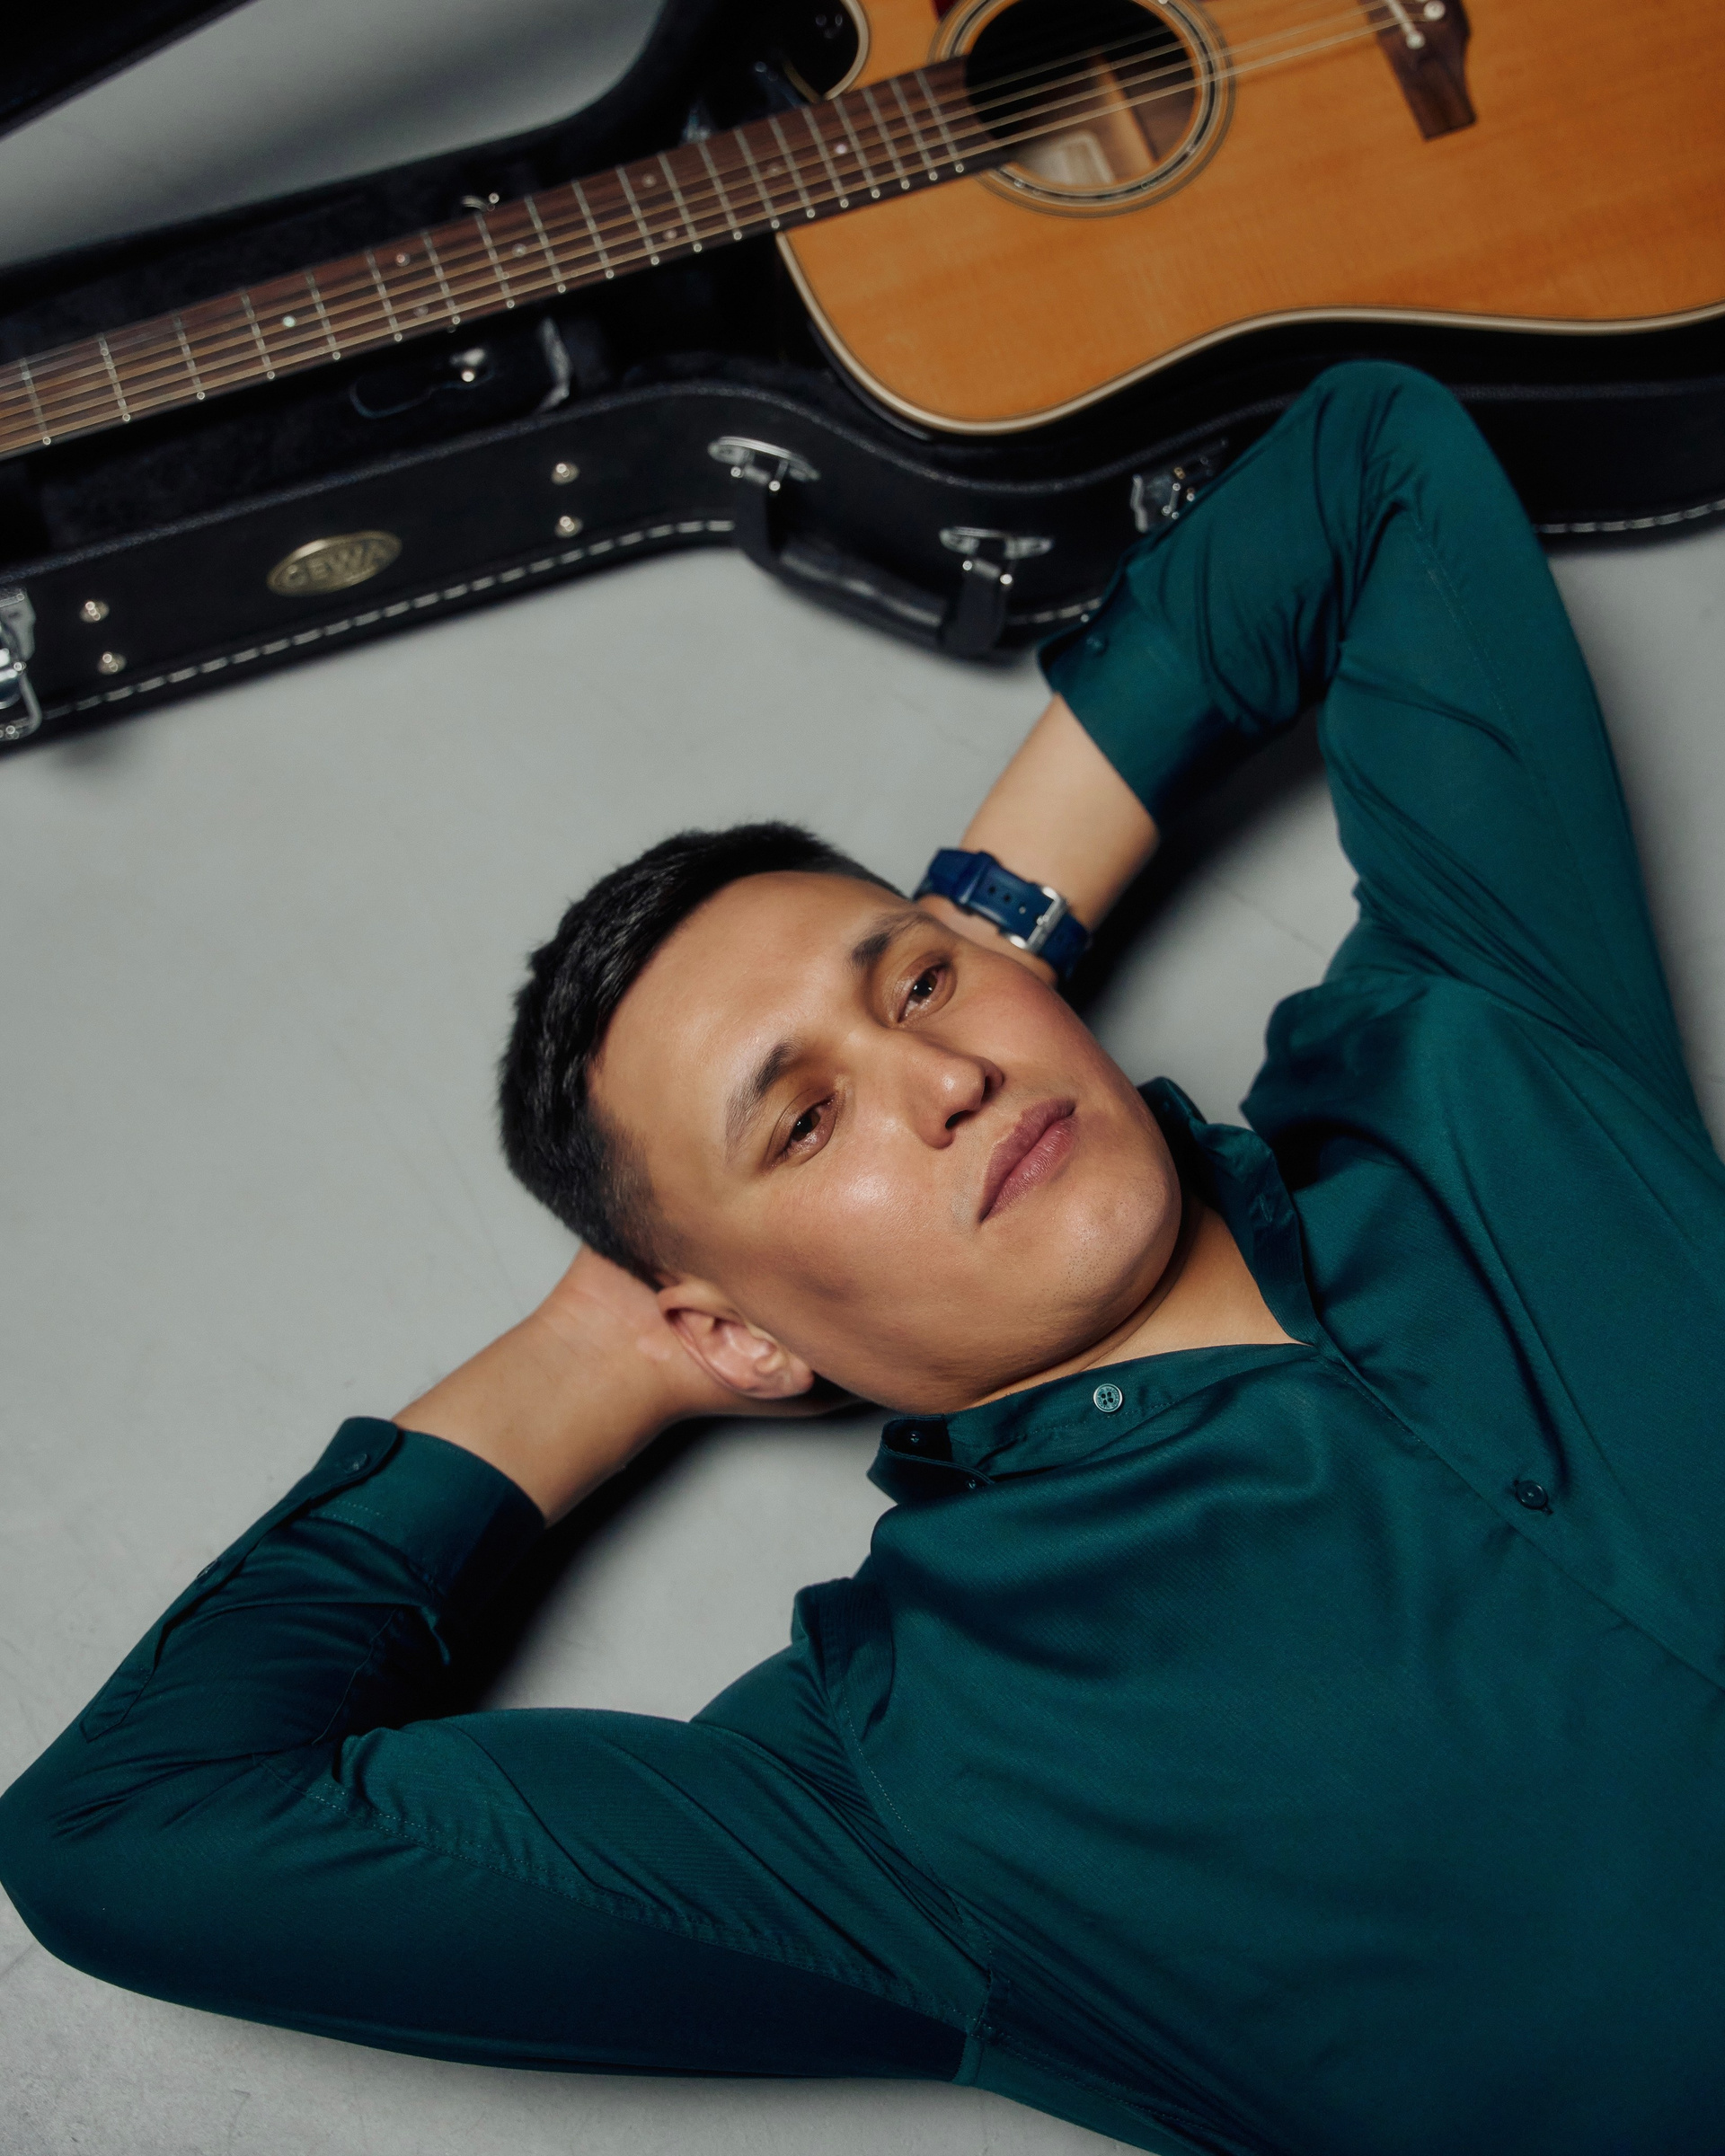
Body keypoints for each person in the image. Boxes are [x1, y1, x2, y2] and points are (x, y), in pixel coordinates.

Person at [3, 361, 1723, 2156]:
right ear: (735, 1328)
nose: (945, 1076)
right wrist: (608, 1348)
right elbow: (127, 1834)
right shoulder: (913, 1791)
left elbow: (1365, 465)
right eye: (806, 1123)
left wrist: (991, 917)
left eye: (919, 988)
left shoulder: (1470, 1046)